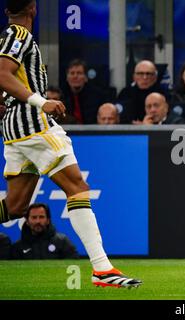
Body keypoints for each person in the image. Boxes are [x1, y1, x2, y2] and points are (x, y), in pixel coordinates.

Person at [0, 0, 141, 287]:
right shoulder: (19, 34)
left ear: (6, 10)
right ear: (33, 9)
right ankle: (102, 269)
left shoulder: (7, 36)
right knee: (77, 187)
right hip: (32, 124)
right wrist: (42, 101)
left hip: (14, 128)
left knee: (15, 207)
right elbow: (1, 73)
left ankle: (102, 269)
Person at [10, 203, 79, 259]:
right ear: (27, 221)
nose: (38, 221)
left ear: (48, 220)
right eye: (34, 217)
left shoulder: (62, 242)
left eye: (41, 217)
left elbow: (73, 264)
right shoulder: (18, 247)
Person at [62, 59, 108, 124]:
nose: (75, 76)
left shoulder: (98, 96)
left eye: (79, 73)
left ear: (86, 78)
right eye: (72, 73)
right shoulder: (62, 96)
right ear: (67, 78)